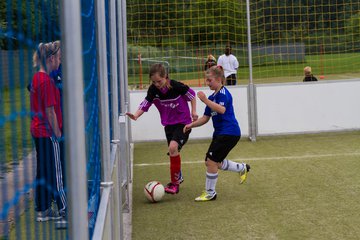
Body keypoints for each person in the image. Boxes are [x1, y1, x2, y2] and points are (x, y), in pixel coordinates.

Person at [126, 63, 198, 194]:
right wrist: (135, 115)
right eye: (154, 82)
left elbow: (192, 95)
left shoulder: (176, 86)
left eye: (159, 81)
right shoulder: (153, 90)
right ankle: (178, 176)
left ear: (166, 77)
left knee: (172, 148)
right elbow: (146, 103)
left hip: (183, 123)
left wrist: (193, 112)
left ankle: (174, 184)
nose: (157, 84)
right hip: (168, 126)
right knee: (173, 151)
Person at [183, 65, 250, 202]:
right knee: (213, 162)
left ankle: (210, 192)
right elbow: (205, 118)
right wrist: (191, 125)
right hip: (220, 133)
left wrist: (205, 100)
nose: (207, 83)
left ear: (219, 79)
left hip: (229, 132)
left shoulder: (223, 93)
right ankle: (242, 168)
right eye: (206, 81)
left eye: (209, 80)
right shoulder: (212, 96)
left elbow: (222, 110)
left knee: (211, 162)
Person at [29, 42, 67, 222]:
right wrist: (58, 134)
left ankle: (42, 209)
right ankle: (65, 208)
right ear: (51, 59)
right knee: (56, 171)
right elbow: (50, 111)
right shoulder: (46, 82)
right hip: (47, 133)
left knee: (43, 171)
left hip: (37, 131)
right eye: (59, 58)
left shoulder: (37, 77)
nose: (60, 62)